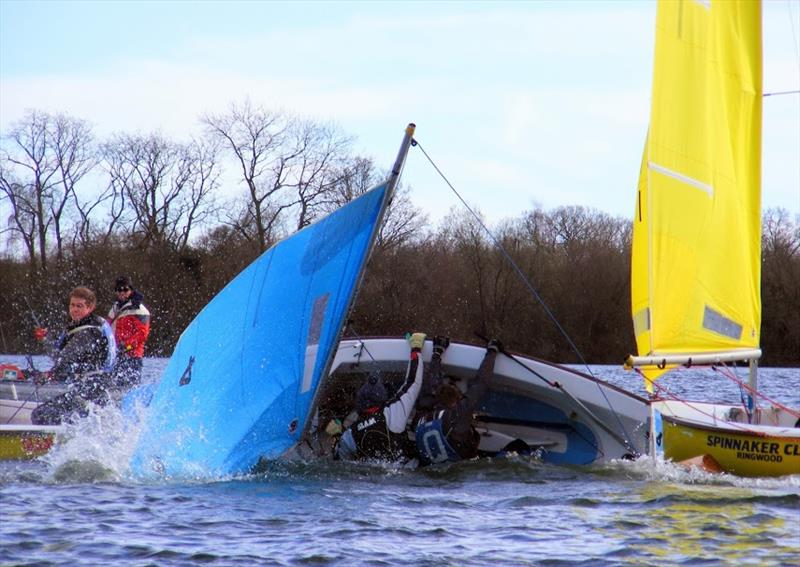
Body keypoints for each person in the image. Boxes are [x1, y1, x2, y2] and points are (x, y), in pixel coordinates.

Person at [31, 286, 117, 425]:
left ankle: (63, 443)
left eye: (79, 306)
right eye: (72, 305)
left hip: (91, 392)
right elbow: (61, 356)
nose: (74, 309)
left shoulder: (87, 332)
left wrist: (47, 375)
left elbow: (64, 361)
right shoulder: (88, 326)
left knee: (40, 414)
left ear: (90, 308)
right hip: (96, 390)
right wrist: (46, 340)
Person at [335, 332, 427, 463]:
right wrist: (416, 349)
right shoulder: (392, 413)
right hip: (403, 474)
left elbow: (339, 460)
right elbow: (413, 382)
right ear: (382, 399)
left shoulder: (349, 435)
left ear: (359, 404)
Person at [413, 337, 499, 466]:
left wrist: (437, 352)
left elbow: (431, 385)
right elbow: (480, 384)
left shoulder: (420, 417)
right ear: (456, 402)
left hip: (427, 468)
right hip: (457, 467)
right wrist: (492, 351)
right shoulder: (458, 413)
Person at [107, 275, 151, 388]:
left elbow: (142, 335)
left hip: (132, 357)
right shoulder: (115, 308)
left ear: (131, 289)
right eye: (119, 289)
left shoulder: (139, 309)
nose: (122, 292)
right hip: (115, 356)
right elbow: (108, 328)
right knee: (112, 389)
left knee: (128, 390)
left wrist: (126, 346)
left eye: (125, 289)